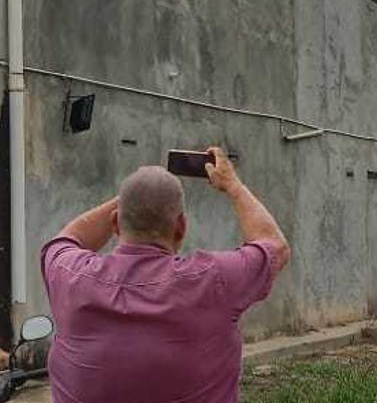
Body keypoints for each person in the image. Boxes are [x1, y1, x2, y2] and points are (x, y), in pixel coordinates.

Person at [40, 147, 290, 403]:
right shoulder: (213, 279)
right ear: (181, 227)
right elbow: (274, 245)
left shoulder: (68, 273)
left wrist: (134, 198)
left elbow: (69, 238)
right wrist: (232, 185)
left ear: (115, 223)